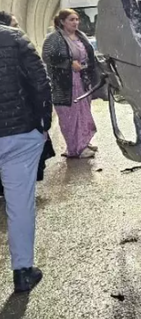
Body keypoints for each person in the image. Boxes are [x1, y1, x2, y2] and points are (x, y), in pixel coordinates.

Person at [0, 22, 52, 292]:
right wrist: (43, 123)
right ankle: (22, 271)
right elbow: (39, 80)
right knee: (19, 203)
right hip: (18, 133)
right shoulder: (12, 37)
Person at [42, 9, 98, 159]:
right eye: (71, 20)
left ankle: (83, 142)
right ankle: (76, 148)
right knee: (70, 116)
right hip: (65, 84)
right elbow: (47, 57)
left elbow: (90, 55)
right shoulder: (54, 38)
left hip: (82, 80)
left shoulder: (81, 36)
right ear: (62, 22)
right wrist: (68, 64)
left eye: (77, 19)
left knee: (84, 113)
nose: (75, 22)